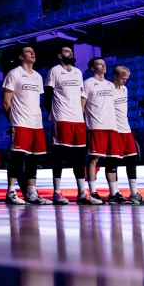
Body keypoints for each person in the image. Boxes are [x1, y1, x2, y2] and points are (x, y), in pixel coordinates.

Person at [1, 46, 51, 205]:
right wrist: (13, 122)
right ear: (21, 57)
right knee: (17, 157)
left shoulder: (37, 76)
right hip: (20, 122)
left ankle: (31, 193)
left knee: (33, 158)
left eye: (33, 51)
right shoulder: (14, 74)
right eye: (28, 51)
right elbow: (6, 102)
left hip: (36, 123)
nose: (33, 53)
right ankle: (11, 193)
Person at [83, 58, 134, 204]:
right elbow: (82, 106)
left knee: (112, 159)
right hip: (96, 125)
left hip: (112, 127)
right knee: (94, 158)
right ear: (93, 68)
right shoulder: (88, 83)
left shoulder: (110, 85)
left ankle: (114, 193)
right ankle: (93, 192)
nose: (103, 65)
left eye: (104, 64)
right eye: (99, 64)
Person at [42, 45, 86, 205]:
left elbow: (81, 95)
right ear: (60, 56)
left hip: (78, 119)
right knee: (59, 155)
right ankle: (57, 192)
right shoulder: (54, 71)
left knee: (79, 156)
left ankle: (82, 192)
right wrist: (53, 115)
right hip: (61, 117)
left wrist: (81, 113)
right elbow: (47, 97)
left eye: (71, 51)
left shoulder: (78, 72)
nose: (71, 53)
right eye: (67, 51)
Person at [112, 66, 144, 205]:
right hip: (114, 129)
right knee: (113, 161)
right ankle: (114, 193)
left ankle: (134, 193)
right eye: (123, 78)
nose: (125, 81)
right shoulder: (108, 89)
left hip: (126, 129)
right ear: (115, 76)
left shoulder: (124, 89)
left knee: (132, 159)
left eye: (127, 79)